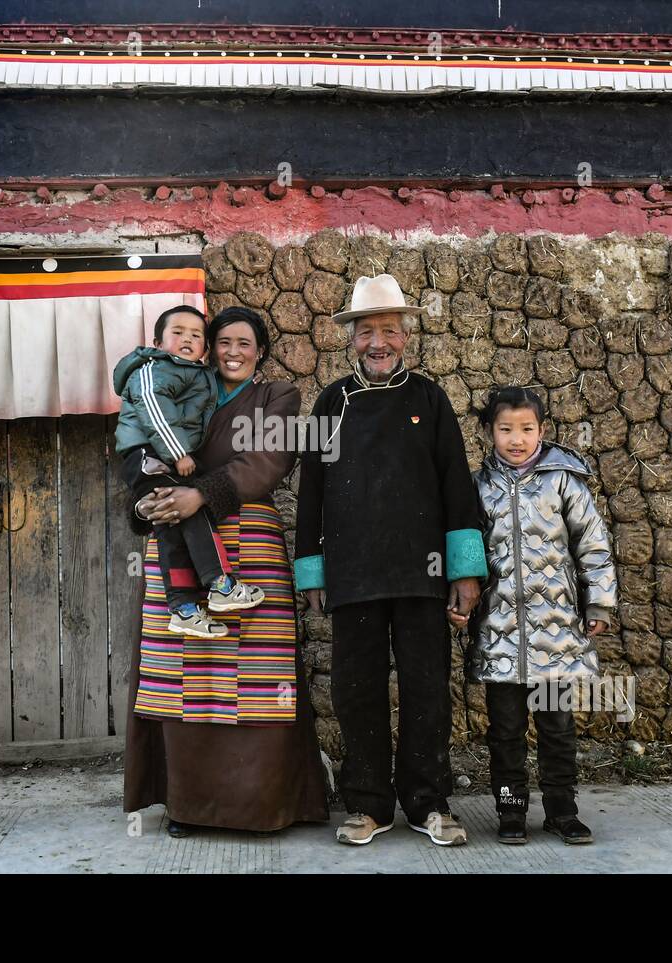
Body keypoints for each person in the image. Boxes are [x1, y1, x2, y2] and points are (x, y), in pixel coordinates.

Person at [294, 273, 487, 847]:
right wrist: (312, 571)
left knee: (428, 686)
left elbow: (458, 488)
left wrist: (466, 572)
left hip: (422, 575)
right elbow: (311, 495)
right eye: (366, 331)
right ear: (350, 338)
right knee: (357, 689)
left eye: (389, 331)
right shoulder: (331, 401)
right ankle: (369, 803)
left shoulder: (430, 399)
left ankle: (429, 801)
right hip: (353, 575)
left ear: (405, 337)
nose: (378, 342)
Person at [124, 306, 330, 837]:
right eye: (223, 342)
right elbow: (142, 443)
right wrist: (146, 502)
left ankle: (261, 805)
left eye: (244, 343)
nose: (232, 352)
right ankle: (188, 804)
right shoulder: (182, 386)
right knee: (188, 671)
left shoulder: (275, 397)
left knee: (262, 674)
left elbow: (267, 461)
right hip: (176, 540)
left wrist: (201, 494)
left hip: (249, 542)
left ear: (260, 351)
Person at [468, 386, 618, 845]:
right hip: (500, 633)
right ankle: (511, 811)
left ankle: (562, 810)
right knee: (506, 731)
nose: (517, 439)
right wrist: (460, 603)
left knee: (557, 727)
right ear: (489, 432)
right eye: (506, 429)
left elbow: (592, 545)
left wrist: (598, 602)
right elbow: (466, 553)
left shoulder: (563, 483)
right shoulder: (477, 487)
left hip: (556, 632)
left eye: (527, 429)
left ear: (542, 431)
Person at [113, 304, 263, 638]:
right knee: (183, 510)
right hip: (151, 454)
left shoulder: (268, 394)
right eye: (177, 333)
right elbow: (154, 409)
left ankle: (183, 607)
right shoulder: (154, 369)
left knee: (172, 521)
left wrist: (198, 491)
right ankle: (220, 584)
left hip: (163, 461)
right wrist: (179, 456)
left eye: (196, 335)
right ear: (156, 341)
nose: (186, 340)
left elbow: (266, 461)